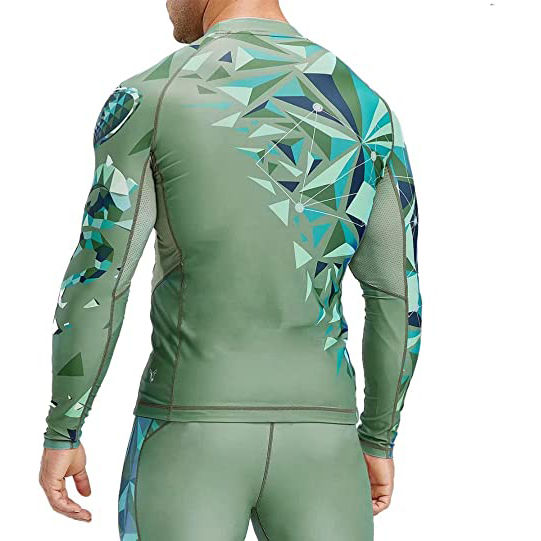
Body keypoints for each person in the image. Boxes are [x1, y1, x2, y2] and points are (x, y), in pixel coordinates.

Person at [39, 0, 422, 539]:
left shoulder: (151, 96)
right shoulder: (368, 108)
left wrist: (64, 428)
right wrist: (379, 438)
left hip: (189, 431)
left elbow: (102, 277)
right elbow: (397, 296)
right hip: (325, 448)